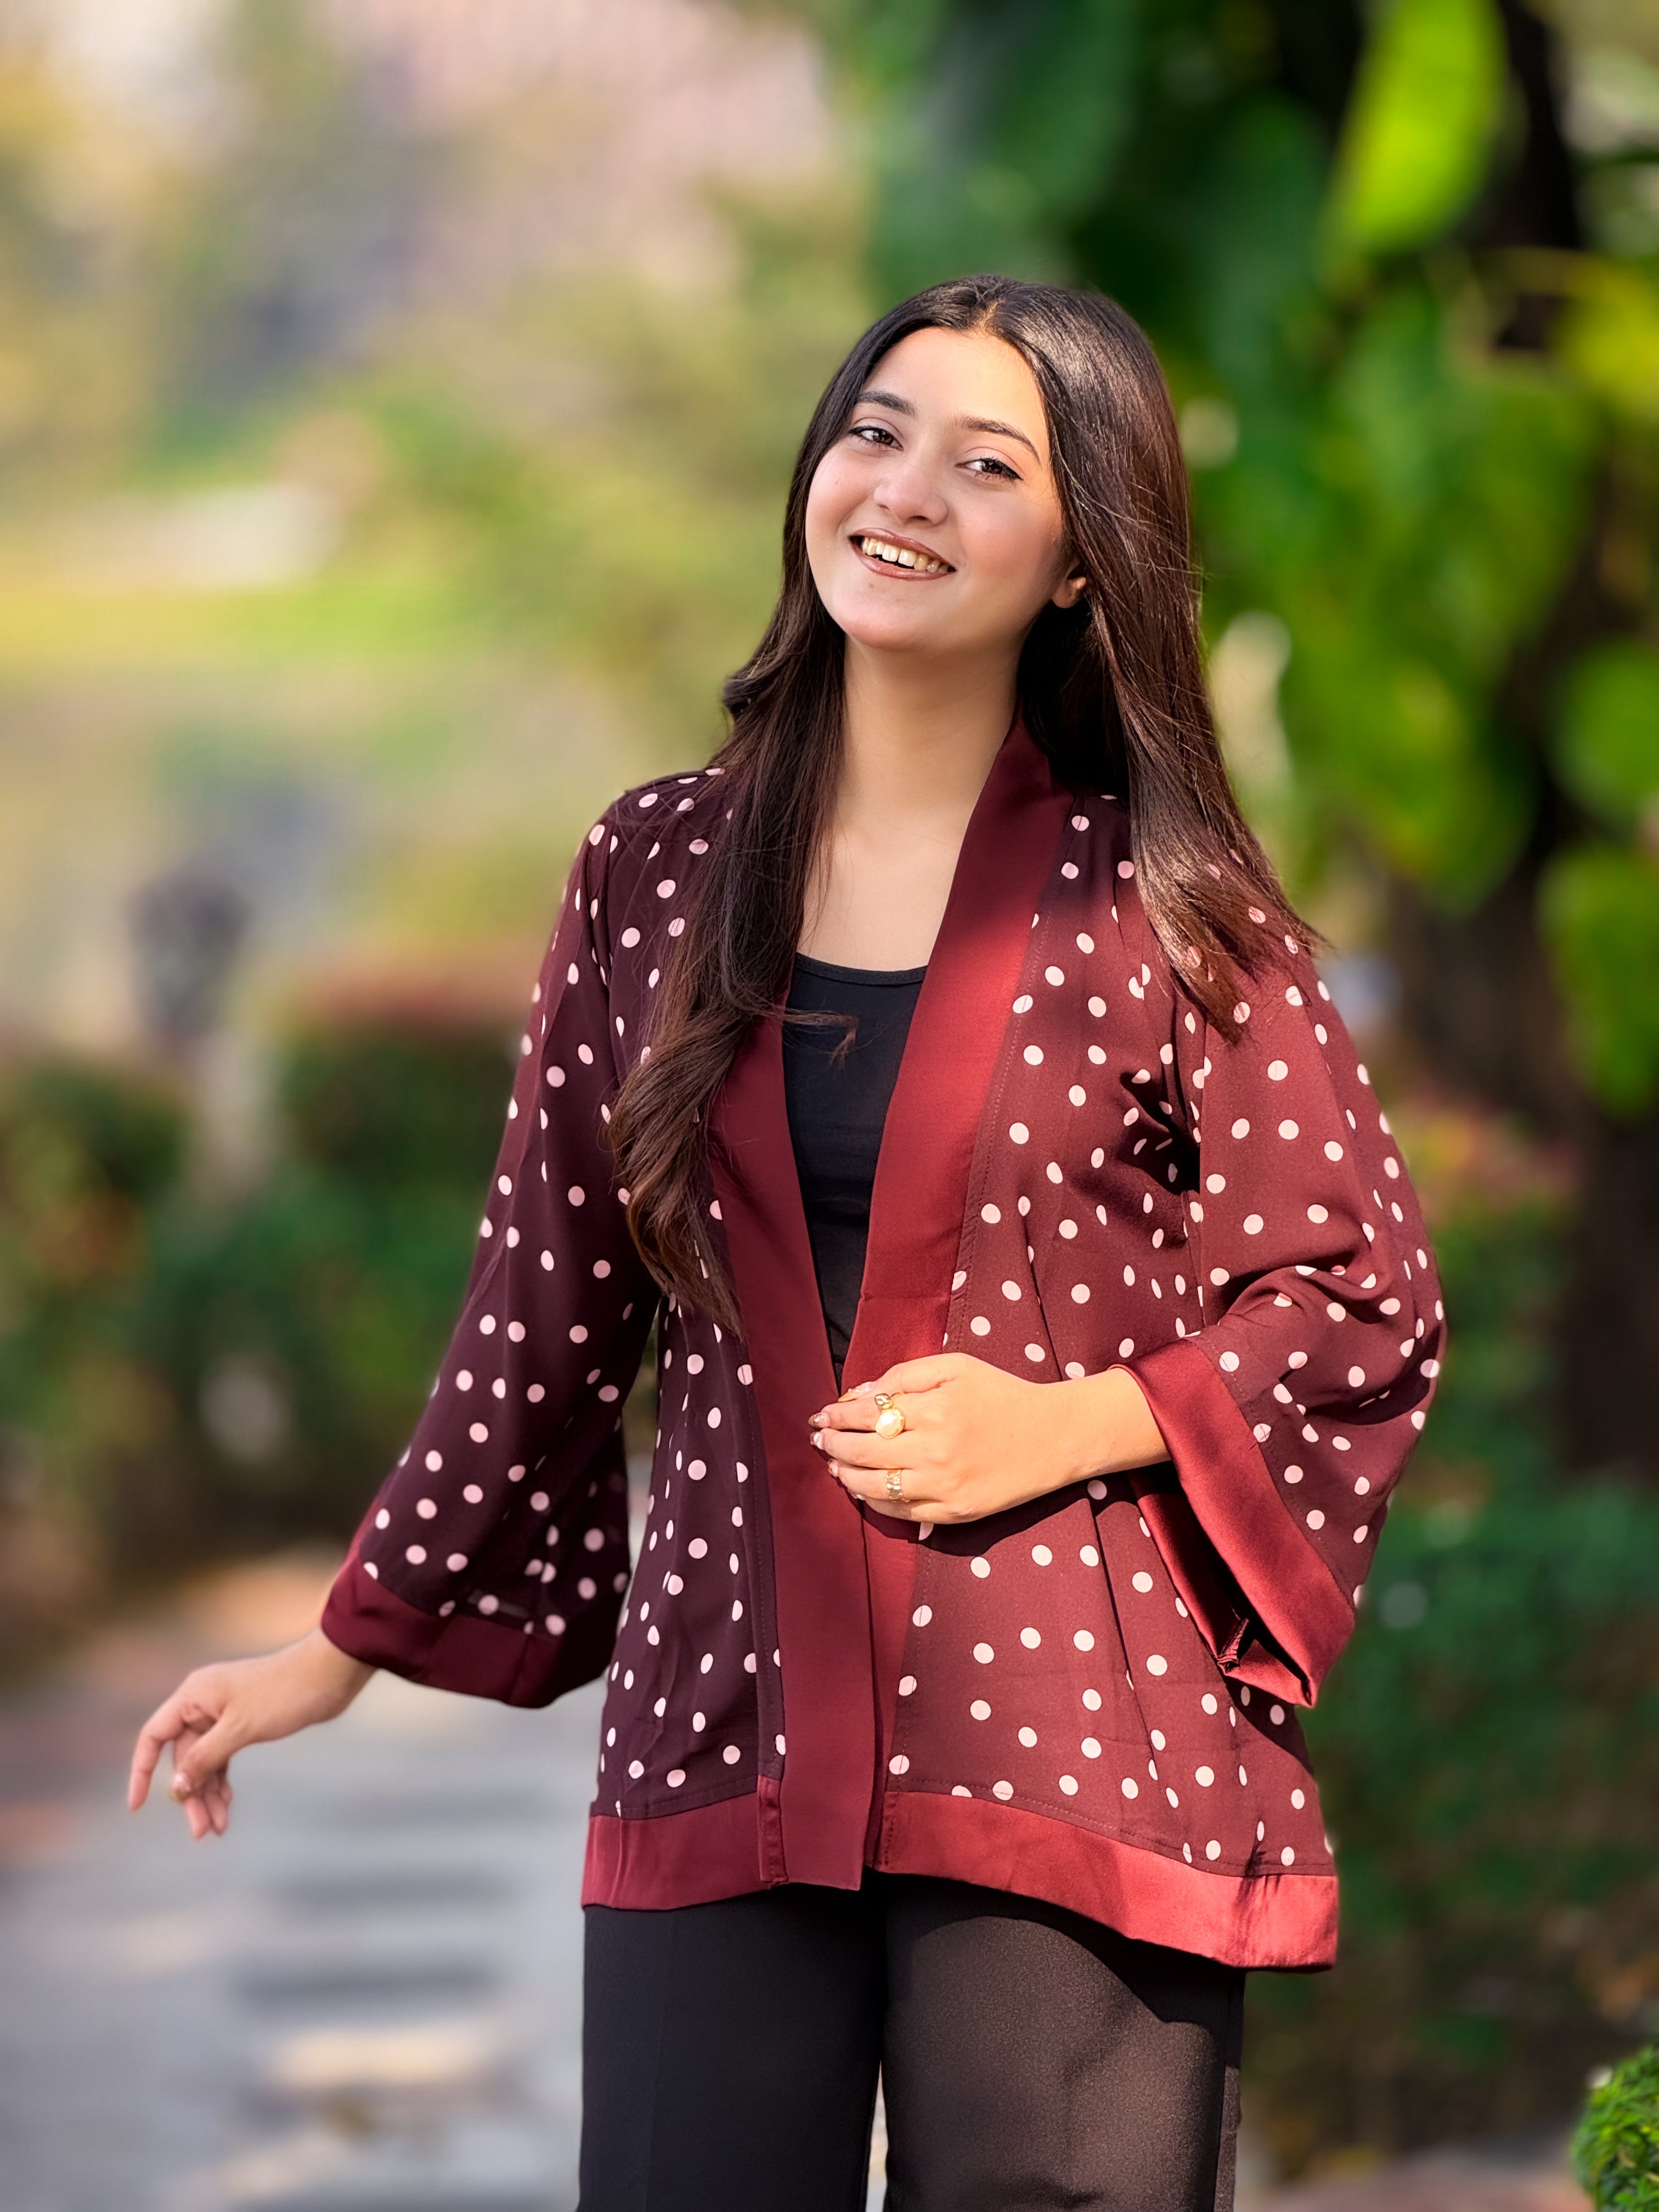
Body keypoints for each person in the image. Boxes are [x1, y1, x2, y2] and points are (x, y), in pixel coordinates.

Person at [129, 275, 1443, 2212]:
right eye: (875, 432)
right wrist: (342, 1648)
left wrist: (1066, 1425)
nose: (905, 491)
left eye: (989, 464)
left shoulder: (1164, 903)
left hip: (1066, 1730)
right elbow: (545, 1304)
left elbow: (1356, 1292)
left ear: (1086, 562)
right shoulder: (654, 866)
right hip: (722, 1705)